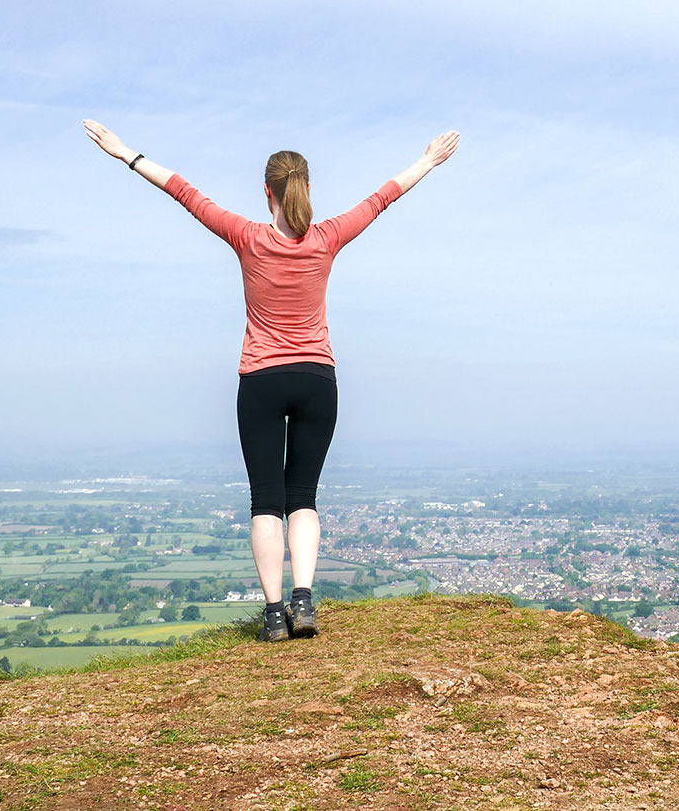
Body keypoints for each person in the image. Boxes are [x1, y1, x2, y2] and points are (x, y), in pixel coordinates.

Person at [83, 119, 460, 641]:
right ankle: (303, 603)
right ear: (306, 188)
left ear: (268, 192)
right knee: (302, 497)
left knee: (266, 502)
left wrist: (125, 153)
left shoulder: (247, 238)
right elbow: (382, 198)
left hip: (261, 379)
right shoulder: (327, 238)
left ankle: (273, 614)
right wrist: (429, 160)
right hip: (316, 379)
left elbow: (185, 193)